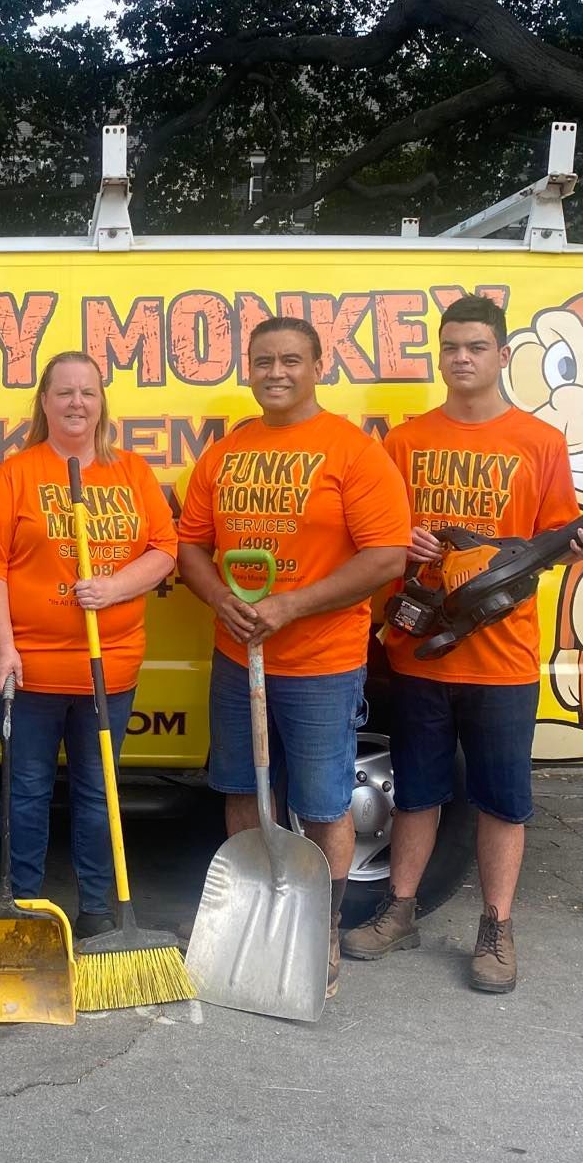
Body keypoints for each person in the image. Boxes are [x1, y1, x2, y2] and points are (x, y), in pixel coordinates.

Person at [342, 294, 583, 992]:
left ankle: (496, 926)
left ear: (501, 356)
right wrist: (400, 539)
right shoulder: (403, 441)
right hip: (418, 649)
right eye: (451, 346)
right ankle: (400, 911)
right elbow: (375, 536)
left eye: (475, 346)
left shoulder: (539, 441)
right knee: (418, 793)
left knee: (501, 799)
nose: (462, 357)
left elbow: (553, 542)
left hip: (504, 656)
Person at [177, 316, 411, 999]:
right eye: (262, 361)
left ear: (317, 366)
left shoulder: (352, 452)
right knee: (245, 791)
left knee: (322, 803)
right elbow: (190, 543)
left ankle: (322, 930)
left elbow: (386, 557)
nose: (275, 372)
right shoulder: (226, 453)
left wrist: (290, 605)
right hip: (237, 654)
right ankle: (260, 918)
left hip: (321, 663)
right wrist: (222, 597)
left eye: (290, 360)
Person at [0, 351, 177, 935]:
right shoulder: (18, 474)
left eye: (87, 392)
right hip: (27, 669)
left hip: (108, 668)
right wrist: (3, 648)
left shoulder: (131, 472)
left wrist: (112, 587)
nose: (77, 403)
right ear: (45, 402)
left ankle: (99, 912)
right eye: (64, 393)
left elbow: (164, 550)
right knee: (26, 792)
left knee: (96, 792)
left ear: (102, 400)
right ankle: (26, 907)